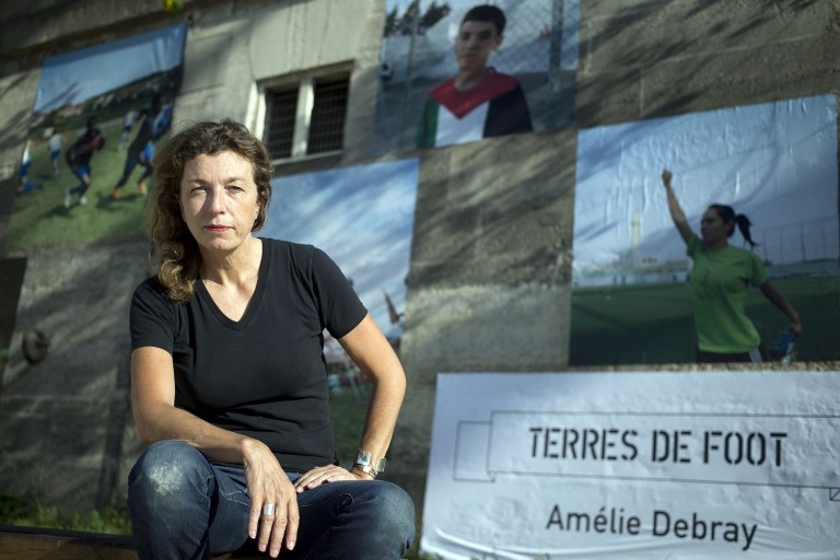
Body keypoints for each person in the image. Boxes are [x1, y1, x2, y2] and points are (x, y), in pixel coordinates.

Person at [127, 119, 415, 560]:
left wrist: (363, 469)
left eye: (234, 188)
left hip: (308, 493)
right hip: (219, 492)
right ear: (179, 203)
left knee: (388, 508)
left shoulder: (308, 269)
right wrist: (248, 449)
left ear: (259, 199)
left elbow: (388, 372)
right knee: (163, 469)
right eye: (199, 189)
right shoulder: (159, 297)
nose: (216, 207)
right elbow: (152, 416)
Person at [661, 169, 803, 363]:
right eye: (702, 222)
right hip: (706, 350)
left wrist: (793, 317)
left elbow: (770, 292)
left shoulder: (745, 259)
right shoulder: (698, 251)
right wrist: (668, 186)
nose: (703, 226)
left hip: (743, 348)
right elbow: (679, 220)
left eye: (710, 221)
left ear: (728, 225)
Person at [415, 4, 533, 149]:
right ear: (456, 42)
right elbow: (421, 155)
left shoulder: (508, 89)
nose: (471, 45)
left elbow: (521, 147)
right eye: (465, 37)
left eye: (484, 37)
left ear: (497, 42)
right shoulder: (435, 99)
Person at [111, 93, 173, 200]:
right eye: (159, 104)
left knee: (151, 168)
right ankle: (116, 187)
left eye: (162, 104)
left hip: (144, 150)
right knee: (126, 177)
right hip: (134, 152)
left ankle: (140, 181)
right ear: (154, 105)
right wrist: (167, 124)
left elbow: (160, 125)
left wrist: (168, 121)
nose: (160, 107)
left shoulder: (156, 117)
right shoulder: (149, 121)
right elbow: (155, 136)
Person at [64, 117, 106, 208]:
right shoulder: (83, 139)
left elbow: (98, 148)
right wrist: (71, 165)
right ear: (90, 128)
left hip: (87, 163)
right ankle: (70, 192)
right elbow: (68, 152)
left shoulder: (97, 133)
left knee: (88, 184)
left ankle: (80, 197)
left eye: (96, 127)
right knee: (87, 182)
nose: (96, 130)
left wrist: (101, 143)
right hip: (78, 164)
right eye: (93, 128)